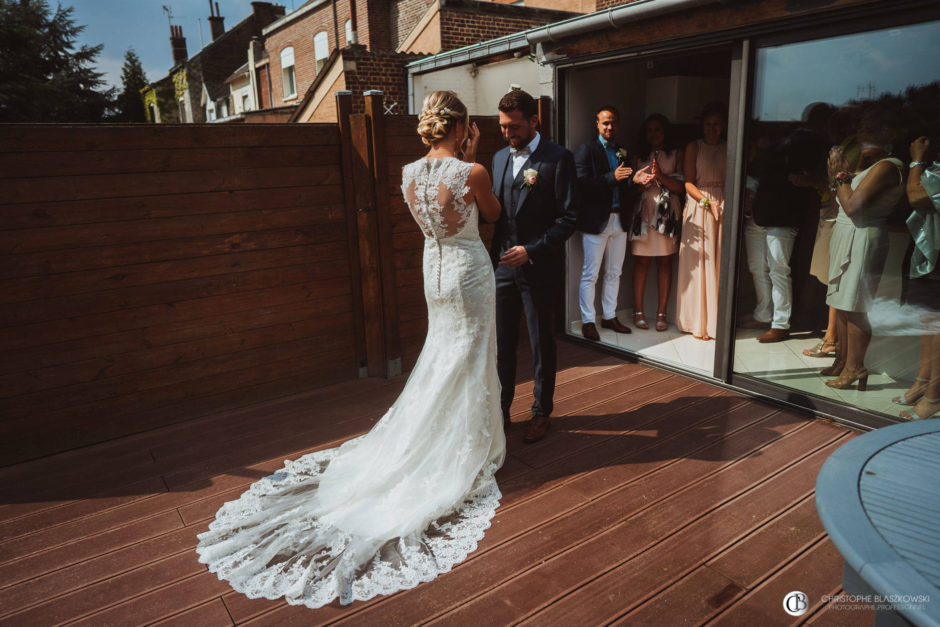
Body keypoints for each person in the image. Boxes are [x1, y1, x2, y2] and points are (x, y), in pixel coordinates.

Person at [196, 91, 506, 608]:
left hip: (433, 270)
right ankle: (464, 447)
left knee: (444, 355)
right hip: (468, 271)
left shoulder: (408, 174)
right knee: (468, 358)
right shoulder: (470, 173)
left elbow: (431, 223)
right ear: (460, 126)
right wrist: (472, 159)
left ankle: (447, 432)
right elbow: (491, 215)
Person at [490, 88, 577, 444]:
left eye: (514, 128)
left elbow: (569, 218)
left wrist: (532, 249)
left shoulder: (558, 158)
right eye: (503, 127)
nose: (508, 134)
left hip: (538, 266)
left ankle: (542, 411)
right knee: (502, 344)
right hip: (502, 270)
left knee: (542, 343)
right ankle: (501, 410)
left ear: (534, 121)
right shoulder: (496, 159)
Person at [822, 119, 905, 390]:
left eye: (870, 137)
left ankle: (856, 368)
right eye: (862, 136)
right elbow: (841, 201)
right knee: (844, 305)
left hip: (864, 237)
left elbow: (853, 206)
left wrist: (841, 174)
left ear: (887, 140)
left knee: (856, 306)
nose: (863, 142)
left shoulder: (888, 166)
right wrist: (839, 176)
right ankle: (844, 360)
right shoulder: (871, 166)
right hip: (849, 234)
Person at [573, 106, 649, 340]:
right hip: (596, 222)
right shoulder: (586, 150)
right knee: (590, 274)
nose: (610, 127)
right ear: (597, 124)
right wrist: (611, 177)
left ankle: (609, 316)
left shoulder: (621, 151)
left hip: (620, 220)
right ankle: (588, 321)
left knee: (614, 272)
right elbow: (580, 184)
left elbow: (623, 187)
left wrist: (635, 182)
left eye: (613, 122)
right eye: (605, 123)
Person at [746, 127, 827, 342]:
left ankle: (780, 324)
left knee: (778, 271)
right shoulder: (766, 155)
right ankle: (763, 314)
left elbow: (799, 183)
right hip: (758, 214)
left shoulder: (799, 155)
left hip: (782, 217)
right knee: (757, 267)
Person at [676, 102, 727, 340]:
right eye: (708, 124)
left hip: (724, 205)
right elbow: (687, 183)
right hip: (700, 205)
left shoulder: (729, 147)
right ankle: (697, 321)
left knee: (718, 264)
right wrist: (707, 202)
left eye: (716, 124)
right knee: (699, 265)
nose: (712, 129)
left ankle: (716, 322)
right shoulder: (693, 147)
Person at [898, 136, 940, 419]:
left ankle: (935, 396)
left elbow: (914, 194)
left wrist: (916, 159)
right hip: (931, 258)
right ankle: (922, 384)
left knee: (937, 327)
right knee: (928, 321)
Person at [630, 113, 683, 331]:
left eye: (658, 129)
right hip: (643, 212)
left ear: (665, 132)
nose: (653, 134)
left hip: (667, 214)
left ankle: (662, 313)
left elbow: (681, 188)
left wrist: (660, 176)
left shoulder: (676, 154)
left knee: (665, 262)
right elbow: (632, 190)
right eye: (649, 130)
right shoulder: (637, 157)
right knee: (641, 262)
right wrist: (640, 184)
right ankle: (638, 311)